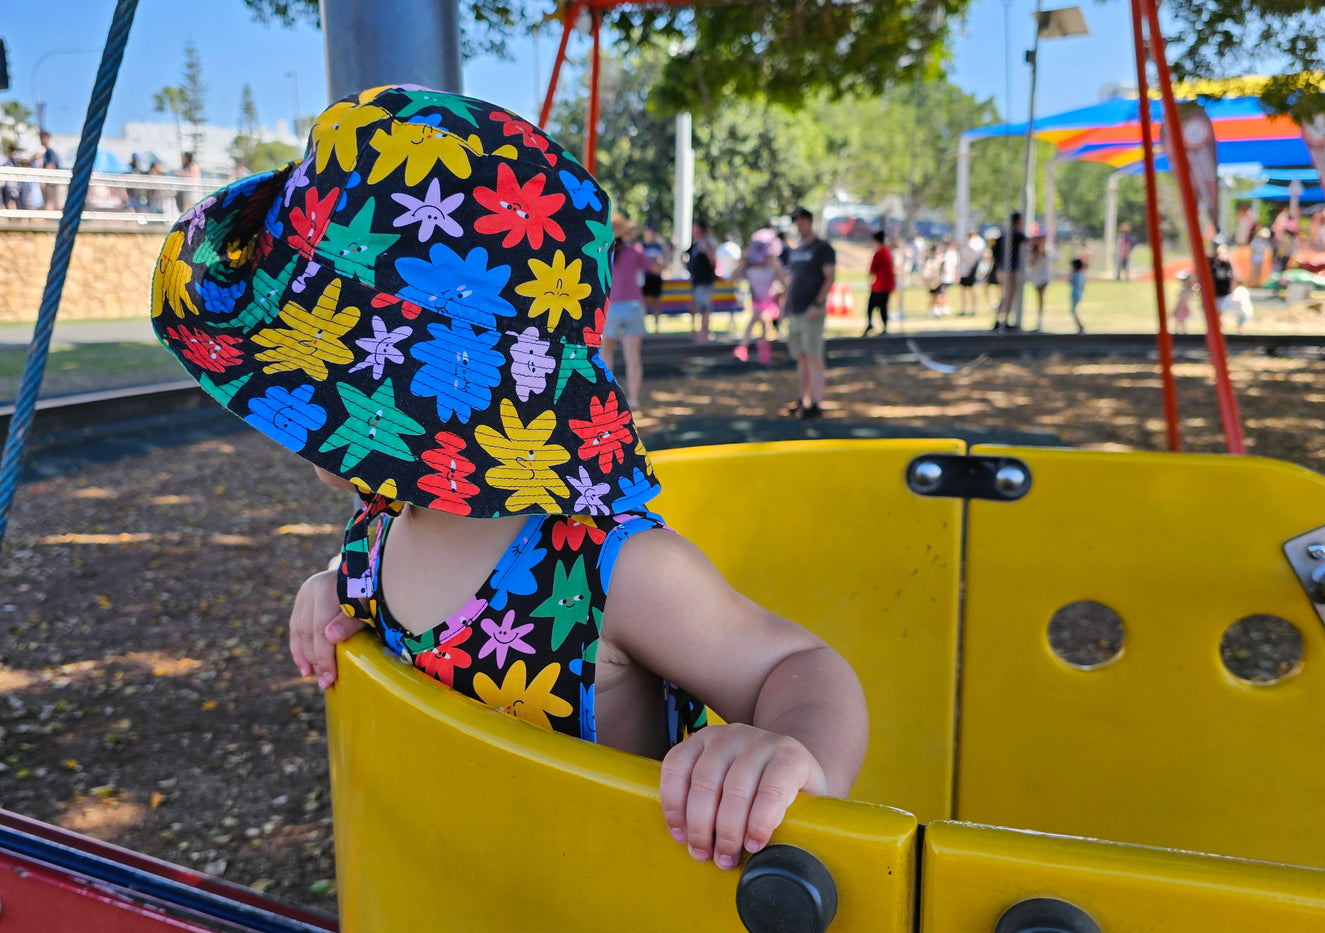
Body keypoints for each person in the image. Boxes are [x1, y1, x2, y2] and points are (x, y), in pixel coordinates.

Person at [150, 85, 868, 874]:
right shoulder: (381, 521)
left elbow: (794, 666)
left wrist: (790, 753)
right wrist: (332, 588)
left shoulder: (613, 570)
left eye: (302, 375)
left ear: (417, 395)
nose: (286, 411)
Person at [783, 207, 836, 419]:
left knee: (814, 355)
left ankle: (816, 402)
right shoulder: (795, 250)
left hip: (811, 310)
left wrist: (817, 303)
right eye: (797, 222)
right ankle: (803, 399)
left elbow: (830, 277)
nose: (800, 225)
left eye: (803, 221)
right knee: (801, 356)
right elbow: (791, 280)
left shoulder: (822, 248)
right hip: (795, 311)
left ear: (810, 222)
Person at [602, 216, 649, 406]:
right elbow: (655, 268)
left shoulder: (604, 253)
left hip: (610, 308)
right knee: (633, 357)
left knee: (605, 355)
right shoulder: (635, 251)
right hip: (633, 307)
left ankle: (607, 397)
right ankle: (634, 398)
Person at [736, 228, 782, 362]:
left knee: (762, 318)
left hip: (770, 303)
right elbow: (734, 277)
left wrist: (776, 266)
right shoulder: (751, 269)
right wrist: (742, 263)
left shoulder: (773, 268)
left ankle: (746, 346)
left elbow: (784, 282)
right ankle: (758, 347)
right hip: (758, 302)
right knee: (759, 318)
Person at [685, 219, 717, 342]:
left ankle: (704, 332)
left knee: (704, 307)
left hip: (704, 279)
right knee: (696, 306)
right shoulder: (696, 243)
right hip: (697, 279)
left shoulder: (706, 241)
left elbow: (712, 259)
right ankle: (698, 331)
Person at [996, 212, 1026, 330]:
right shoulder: (1016, 234)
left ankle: (1000, 319)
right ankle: (1003, 320)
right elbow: (1029, 242)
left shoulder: (1004, 234)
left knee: (1005, 295)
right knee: (1009, 296)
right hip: (1010, 270)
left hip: (1001, 269)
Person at [862, 230, 894, 336]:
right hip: (887, 285)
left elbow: (872, 270)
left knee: (872, 306)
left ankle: (872, 324)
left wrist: (870, 280)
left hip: (879, 285)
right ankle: (883, 325)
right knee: (883, 306)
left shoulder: (879, 253)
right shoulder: (887, 251)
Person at [640, 224, 671, 333]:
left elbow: (666, 261)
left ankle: (657, 329)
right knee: (642, 304)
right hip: (645, 279)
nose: (652, 235)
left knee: (656, 304)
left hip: (656, 278)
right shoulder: (641, 246)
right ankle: (642, 328)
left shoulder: (659, 247)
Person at [1024, 236, 1055, 331]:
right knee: (1038, 297)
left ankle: (1040, 320)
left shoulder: (1047, 250)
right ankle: (1038, 319)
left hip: (1043, 278)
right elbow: (1030, 263)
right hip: (1036, 278)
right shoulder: (1032, 252)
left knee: (1041, 298)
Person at [958, 227, 984, 316]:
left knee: (972, 289)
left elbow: (976, 253)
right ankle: (964, 308)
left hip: (972, 269)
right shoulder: (965, 243)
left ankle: (974, 308)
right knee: (964, 289)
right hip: (964, 269)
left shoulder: (977, 243)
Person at [38, 132, 62, 212]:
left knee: (49, 203)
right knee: (48, 203)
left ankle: (49, 222)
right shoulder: (47, 153)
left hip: (50, 182)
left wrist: (43, 181)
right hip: (50, 182)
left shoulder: (50, 152)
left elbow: (51, 166)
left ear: (45, 138)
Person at [1067, 257, 1086, 335]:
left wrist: (1071, 273)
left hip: (1075, 295)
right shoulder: (1081, 275)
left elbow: (1070, 281)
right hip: (1078, 294)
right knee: (1073, 311)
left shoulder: (1076, 275)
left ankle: (1080, 327)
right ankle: (1080, 327)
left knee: (1073, 311)